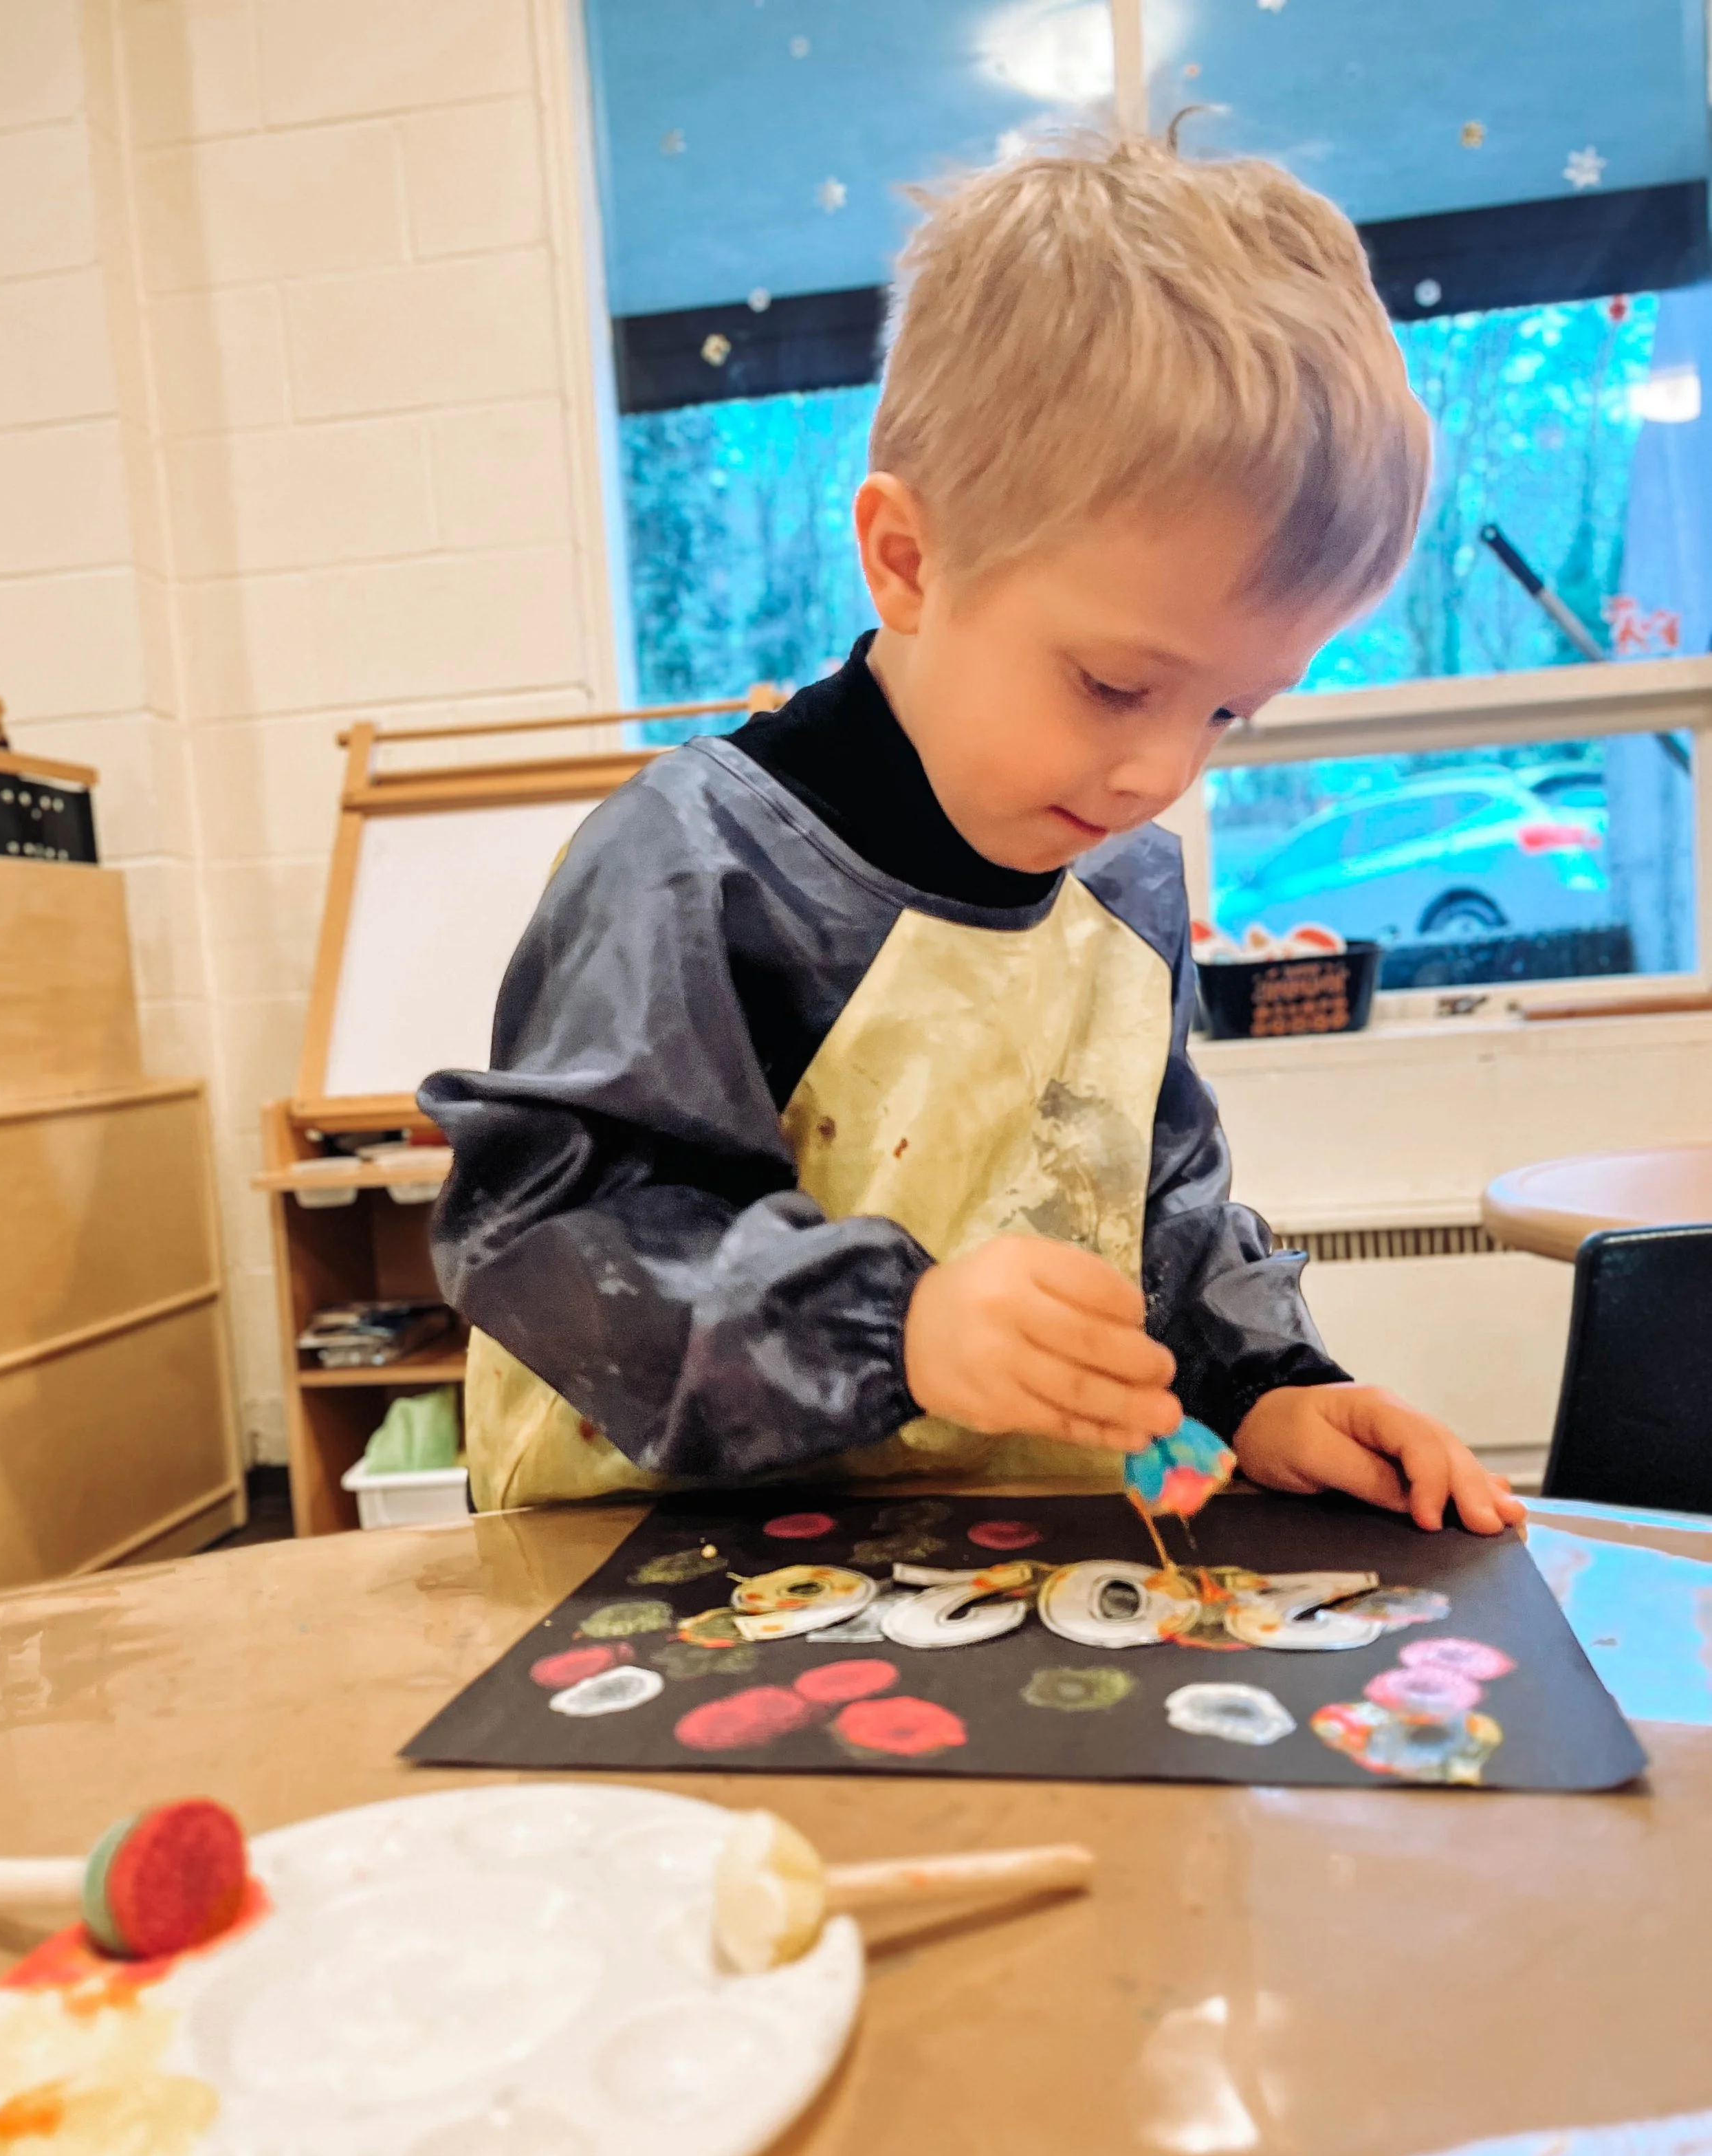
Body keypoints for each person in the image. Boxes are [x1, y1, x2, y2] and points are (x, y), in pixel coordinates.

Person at [420, 129, 1524, 1540]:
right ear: (908, 561)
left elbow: (1153, 1220)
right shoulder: (698, 862)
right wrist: (901, 1326)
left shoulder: (1120, 885)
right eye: (1114, 685)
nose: (1156, 772)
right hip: (639, 1578)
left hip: (998, 1583)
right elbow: (548, 1230)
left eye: (1229, 714)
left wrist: (1263, 1389)